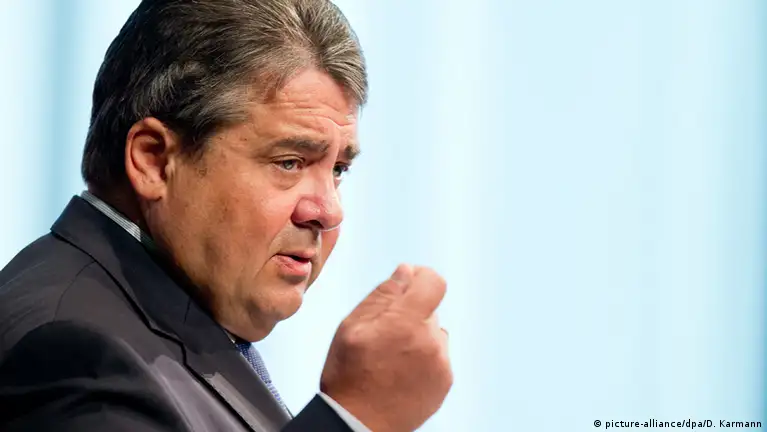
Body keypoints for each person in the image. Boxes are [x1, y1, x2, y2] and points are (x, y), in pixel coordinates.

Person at [0, 0, 452, 431]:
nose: (328, 211)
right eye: (289, 162)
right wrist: (352, 418)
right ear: (154, 161)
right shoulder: (74, 353)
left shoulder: (161, 318)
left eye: (338, 170)